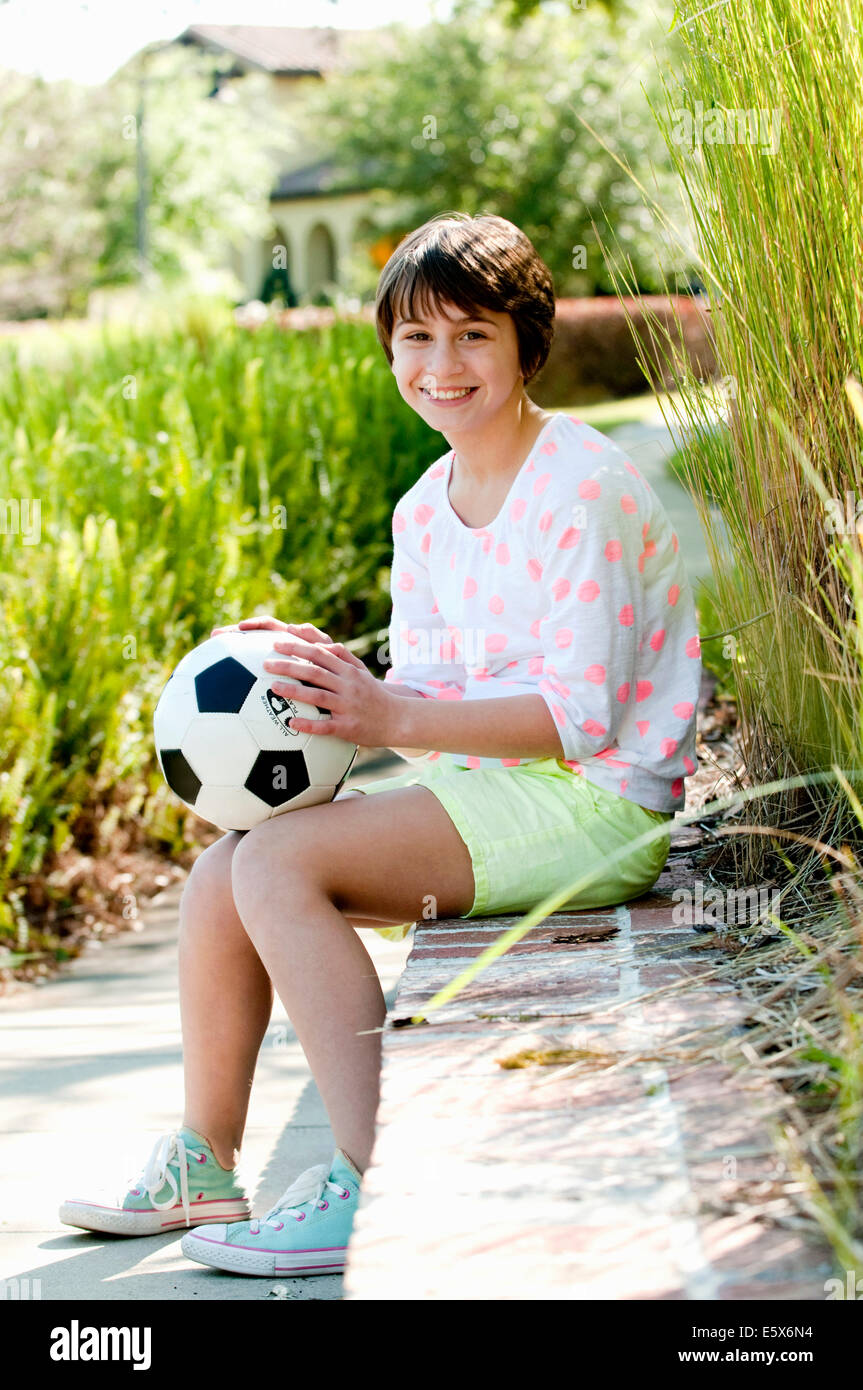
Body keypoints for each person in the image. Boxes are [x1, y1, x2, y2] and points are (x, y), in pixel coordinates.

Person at [59, 211, 701, 1278]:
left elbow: (573, 715)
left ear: (525, 345)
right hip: (488, 800)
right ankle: (205, 1162)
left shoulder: (578, 486)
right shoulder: (421, 511)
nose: (439, 365)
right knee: (225, 868)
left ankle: (369, 1175)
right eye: (414, 338)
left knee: (273, 859)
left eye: (471, 336)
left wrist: (389, 717)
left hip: (592, 807)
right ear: (389, 350)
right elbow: (429, 694)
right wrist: (315, 680)